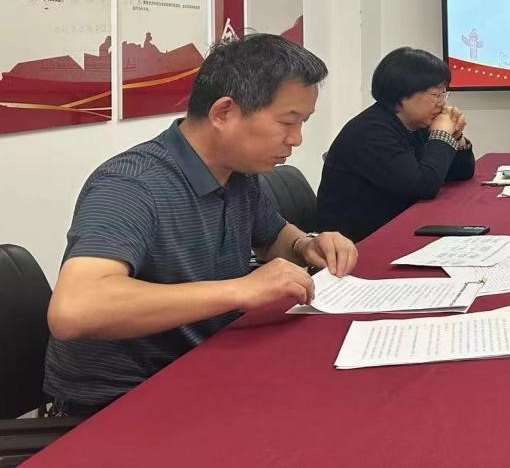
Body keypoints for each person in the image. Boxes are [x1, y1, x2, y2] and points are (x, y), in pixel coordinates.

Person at [44, 34, 358, 416]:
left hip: (210, 365)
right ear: (223, 113)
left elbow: (273, 235)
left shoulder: (238, 171)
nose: (297, 139)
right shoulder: (131, 184)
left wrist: (306, 246)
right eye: (287, 122)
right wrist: (240, 290)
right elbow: (76, 309)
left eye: (302, 123)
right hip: (124, 402)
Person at [316, 47, 475, 242]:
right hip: (358, 242)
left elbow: (461, 173)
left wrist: (456, 137)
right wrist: (441, 134)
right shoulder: (371, 131)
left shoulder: (415, 123)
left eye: (444, 94)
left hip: (397, 224)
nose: (442, 103)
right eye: (436, 95)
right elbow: (423, 186)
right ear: (402, 96)